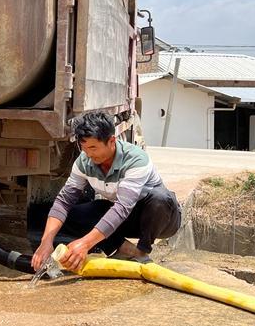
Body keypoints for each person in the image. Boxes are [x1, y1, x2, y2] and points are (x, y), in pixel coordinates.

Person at [29, 111, 181, 272]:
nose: (88, 154)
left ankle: (142, 252)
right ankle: (125, 250)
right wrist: (46, 242)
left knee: (160, 197)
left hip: (161, 220)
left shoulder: (136, 159)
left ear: (111, 141)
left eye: (93, 147)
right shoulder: (84, 161)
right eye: (84, 148)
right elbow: (63, 202)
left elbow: (123, 207)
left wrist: (85, 243)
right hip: (126, 218)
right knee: (76, 214)